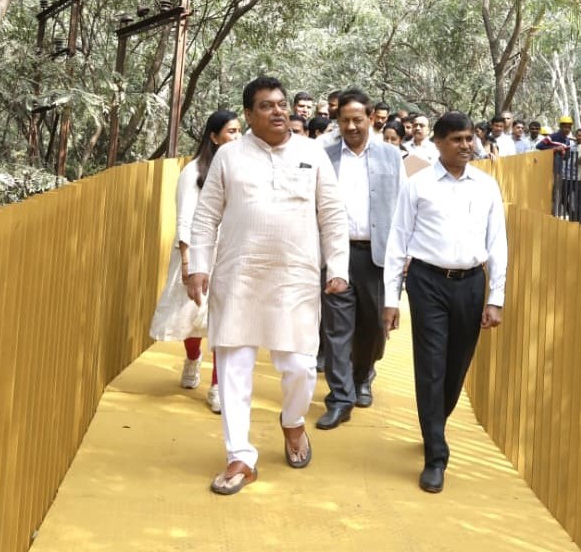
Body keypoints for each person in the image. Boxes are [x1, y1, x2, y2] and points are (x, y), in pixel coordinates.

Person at [187, 76, 350, 495]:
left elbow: (332, 215)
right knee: (234, 370)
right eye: (266, 106)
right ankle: (240, 456)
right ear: (247, 114)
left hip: (294, 276)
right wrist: (198, 265)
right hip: (238, 275)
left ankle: (292, 422)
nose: (278, 111)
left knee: (298, 366)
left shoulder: (312, 154)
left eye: (281, 104)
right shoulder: (228, 156)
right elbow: (206, 217)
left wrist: (338, 267)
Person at [383, 112, 507, 494]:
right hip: (427, 283)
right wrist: (391, 299)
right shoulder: (417, 185)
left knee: (456, 368)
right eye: (456, 139)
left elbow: (498, 243)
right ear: (437, 143)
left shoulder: (486, 187)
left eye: (469, 138)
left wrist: (496, 297)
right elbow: (397, 240)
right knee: (431, 366)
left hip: (470, 284)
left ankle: (434, 422)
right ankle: (436, 455)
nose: (465, 146)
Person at [317, 90, 406, 429]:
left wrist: (405, 255)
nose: (351, 126)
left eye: (357, 119)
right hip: (336, 255)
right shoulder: (324, 155)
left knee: (373, 328)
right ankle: (340, 398)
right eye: (344, 121)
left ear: (371, 118)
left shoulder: (391, 157)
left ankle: (363, 375)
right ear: (336, 122)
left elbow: (402, 207)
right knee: (337, 330)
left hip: (376, 257)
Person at [150, 110, 241, 415]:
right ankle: (192, 358)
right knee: (192, 314)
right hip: (197, 252)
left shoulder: (240, 169)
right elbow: (185, 218)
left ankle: (218, 385)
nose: (237, 137)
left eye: (240, 131)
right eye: (231, 131)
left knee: (223, 318)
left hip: (229, 253)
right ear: (214, 137)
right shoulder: (194, 172)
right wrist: (188, 262)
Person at [538, 115, 577, 219]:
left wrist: (565, 153)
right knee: (545, 191)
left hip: (559, 170)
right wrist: (555, 148)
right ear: (560, 126)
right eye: (565, 127)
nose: (567, 129)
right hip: (547, 168)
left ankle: (554, 215)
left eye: (569, 127)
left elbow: (566, 157)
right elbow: (540, 146)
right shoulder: (553, 136)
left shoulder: (568, 141)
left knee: (556, 193)